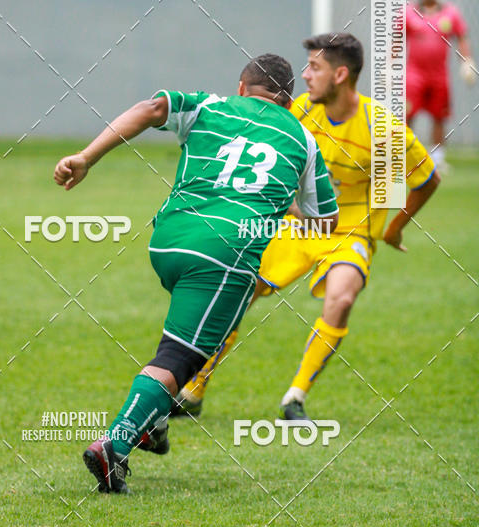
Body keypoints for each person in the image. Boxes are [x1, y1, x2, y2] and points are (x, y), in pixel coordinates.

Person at [53, 53, 338, 493]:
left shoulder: (211, 105)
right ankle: (116, 444)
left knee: (192, 334)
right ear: (289, 100)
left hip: (167, 240)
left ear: (243, 87)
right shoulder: (302, 138)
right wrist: (283, 202)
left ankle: (155, 422)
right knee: (180, 356)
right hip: (225, 255)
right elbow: (326, 222)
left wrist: (87, 157)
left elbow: (151, 109)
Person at [172, 33, 440, 423]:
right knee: (238, 291)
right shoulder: (298, 111)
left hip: (349, 233)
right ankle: (193, 390)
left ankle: (294, 399)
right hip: (296, 228)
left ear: (341, 74)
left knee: (342, 298)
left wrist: (394, 228)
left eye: (315, 67)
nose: (306, 75)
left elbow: (426, 179)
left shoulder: (381, 129)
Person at [406, 0, 476, 171]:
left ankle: (437, 158)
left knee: (439, 116)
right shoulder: (409, 12)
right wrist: (389, 64)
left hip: (439, 75)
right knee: (406, 115)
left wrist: (467, 60)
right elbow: (396, 40)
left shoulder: (450, 13)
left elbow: (462, 38)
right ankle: (404, 156)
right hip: (414, 75)